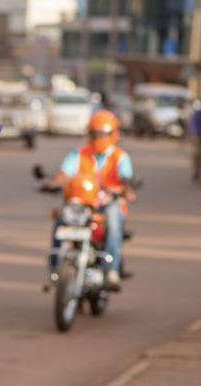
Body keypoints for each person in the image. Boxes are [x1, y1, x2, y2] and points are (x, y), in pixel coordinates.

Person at [43, 110, 135, 291]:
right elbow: (64, 173)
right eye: (95, 133)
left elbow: (125, 178)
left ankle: (111, 271)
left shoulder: (120, 156)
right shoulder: (79, 154)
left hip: (108, 203)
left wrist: (126, 190)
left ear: (113, 134)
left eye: (103, 133)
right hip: (82, 204)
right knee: (60, 221)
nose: (99, 137)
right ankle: (55, 271)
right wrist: (53, 183)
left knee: (114, 221)